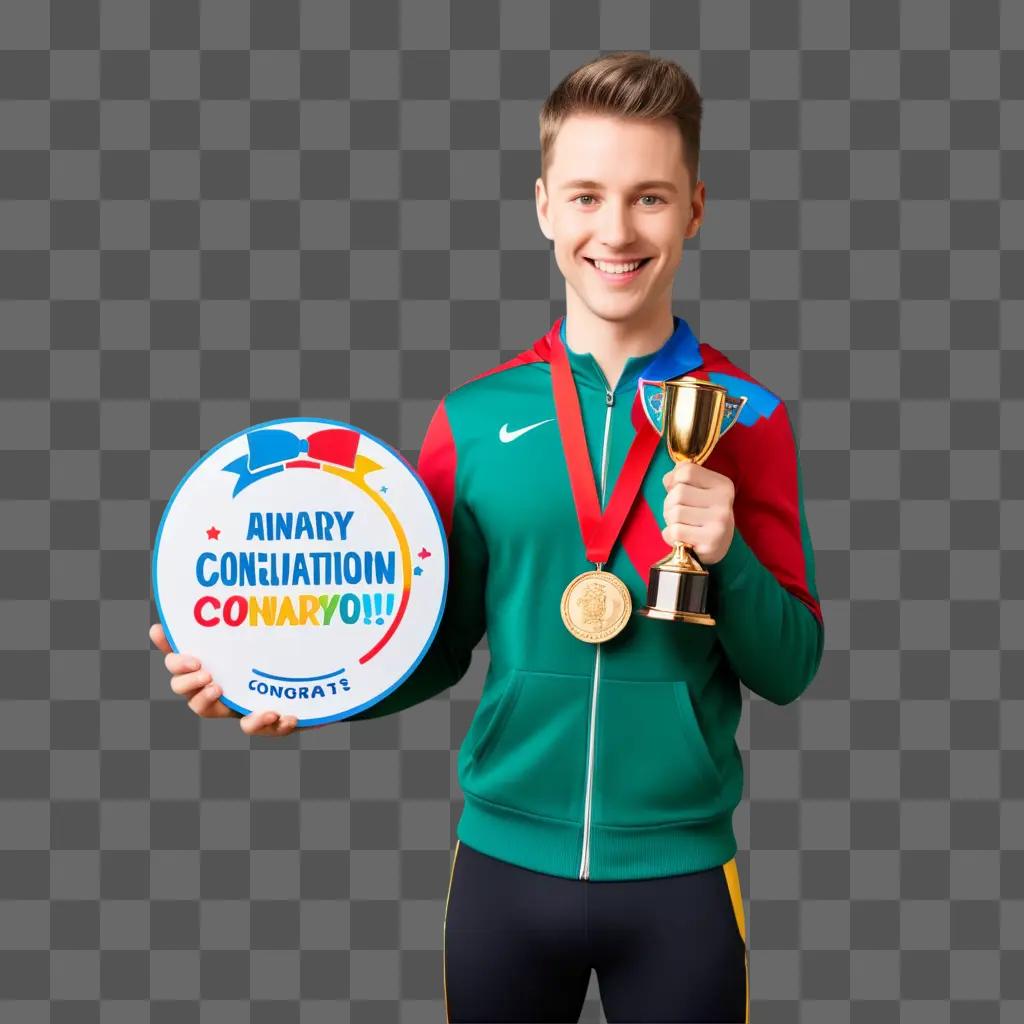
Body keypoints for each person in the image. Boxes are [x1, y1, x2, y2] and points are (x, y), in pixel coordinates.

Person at [152, 51, 824, 1024]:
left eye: (649, 197)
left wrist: (728, 562)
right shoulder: (471, 419)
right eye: (588, 195)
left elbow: (792, 665)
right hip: (503, 872)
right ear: (544, 204)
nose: (616, 230)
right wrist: (293, 679)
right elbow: (429, 639)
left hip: (679, 876)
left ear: (694, 209)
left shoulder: (745, 417)